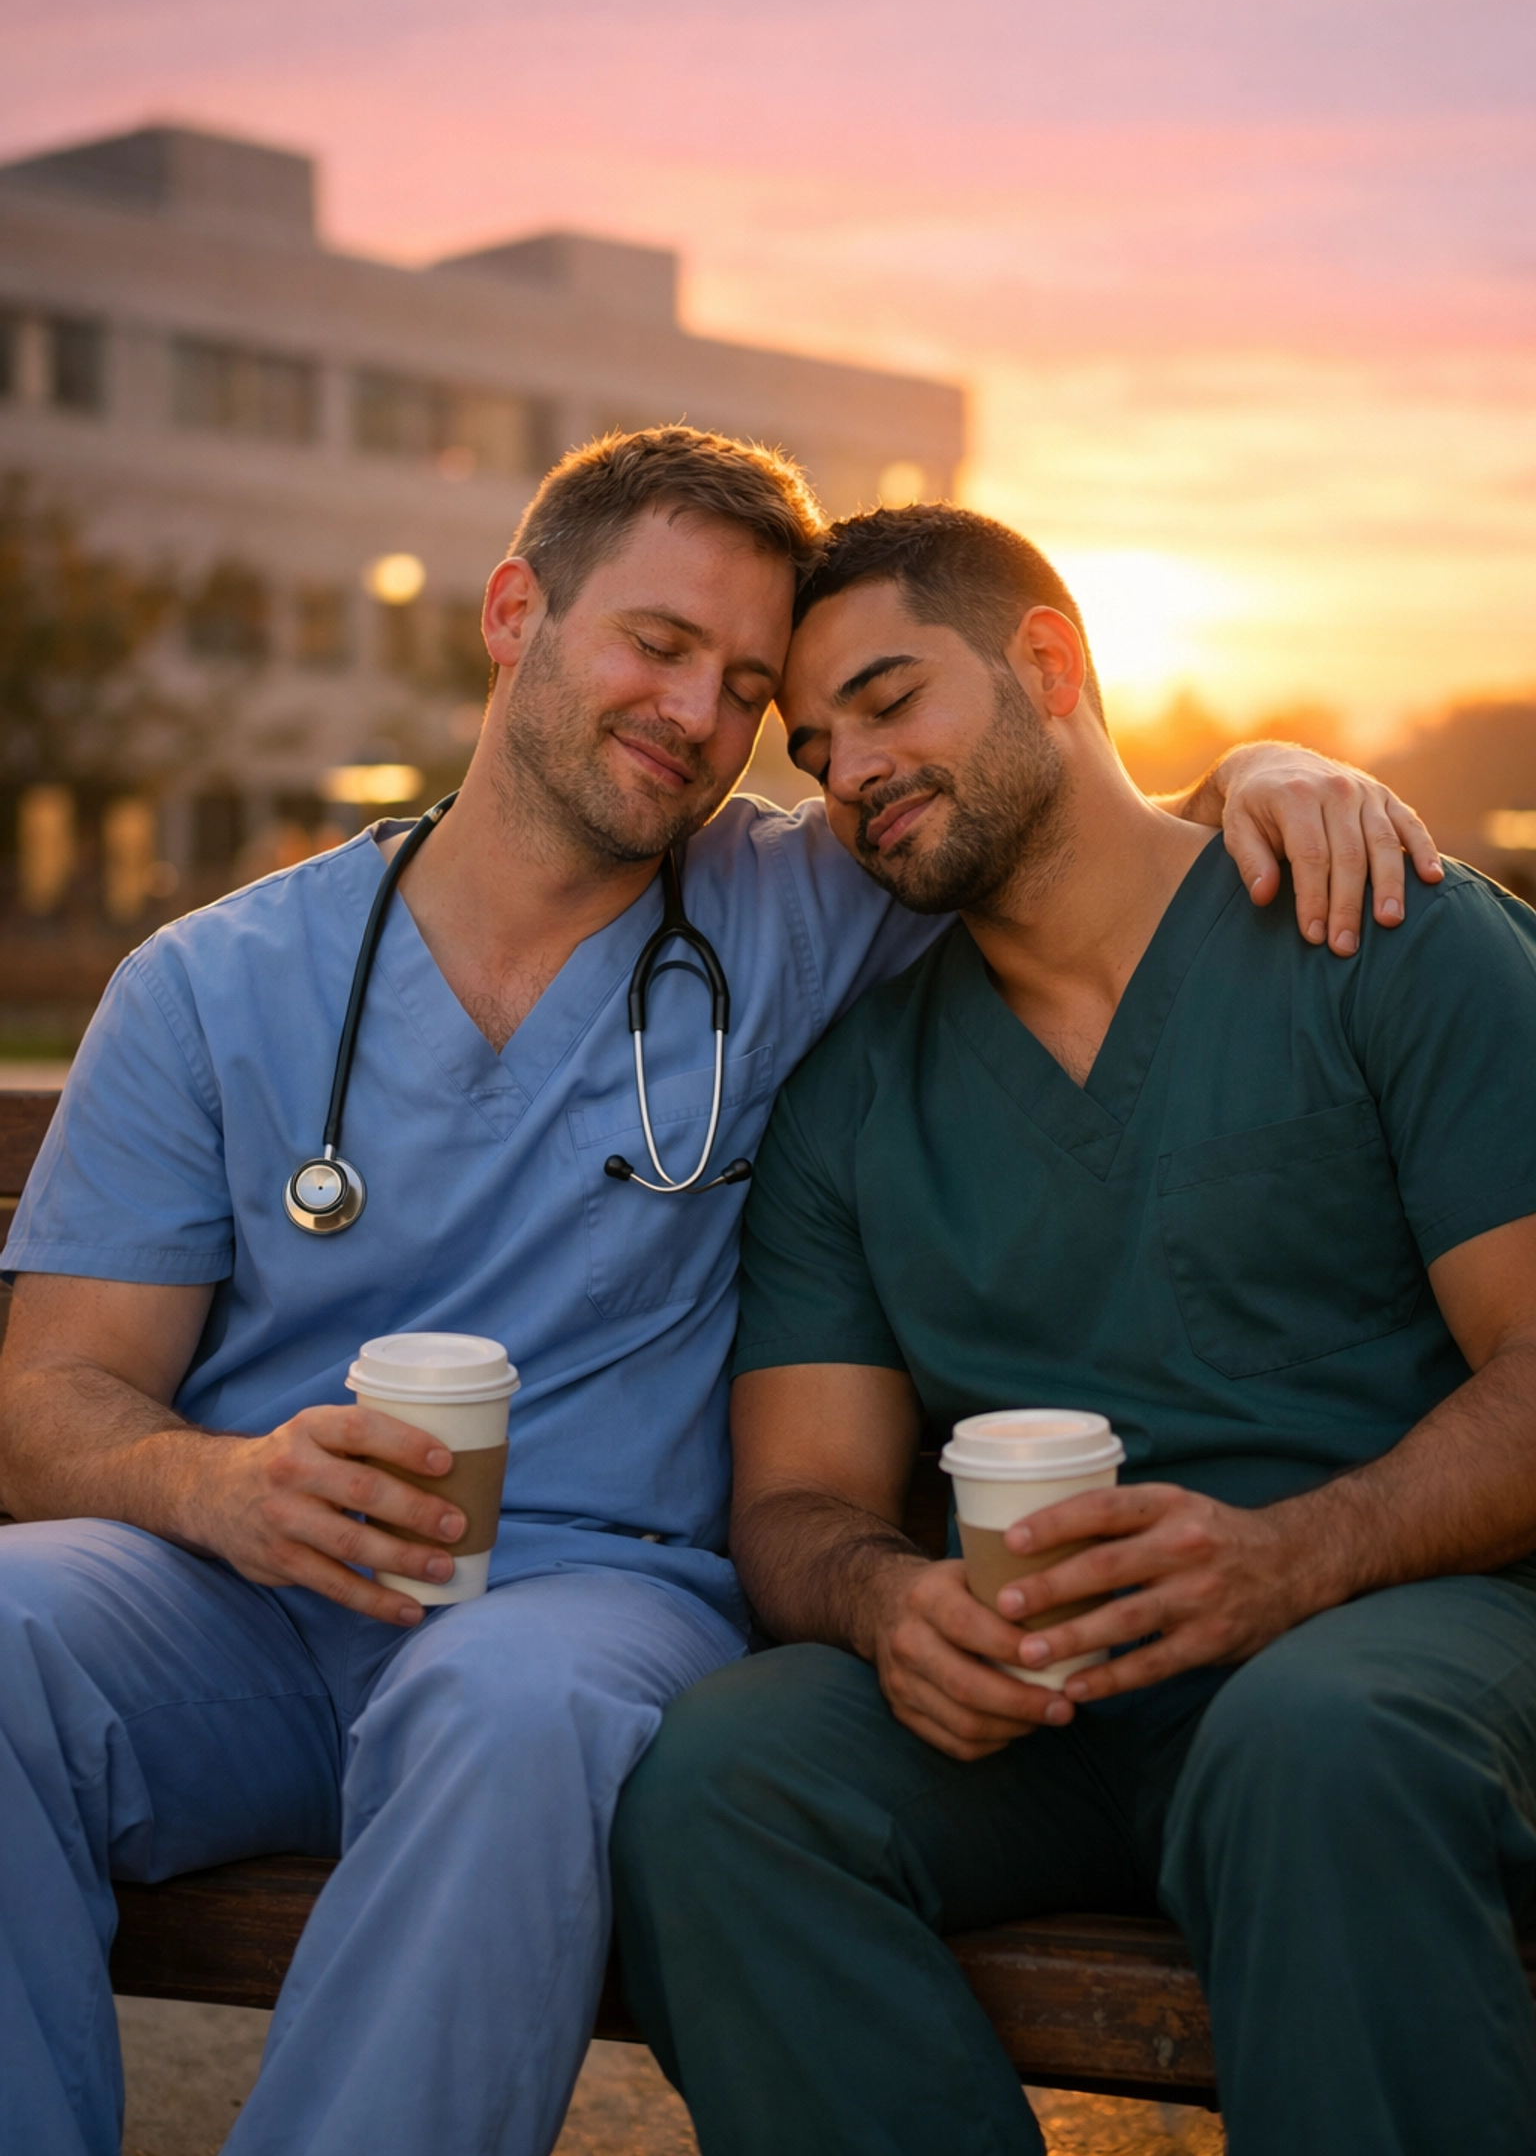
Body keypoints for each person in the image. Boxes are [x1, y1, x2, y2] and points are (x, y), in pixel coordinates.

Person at [0, 431, 1429, 2156]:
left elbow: (1051, 816)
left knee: (508, 1710)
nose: (700, 714)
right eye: (658, 646)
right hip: (243, 1598)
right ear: (514, 612)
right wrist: (216, 1484)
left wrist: (1267, 767)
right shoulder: (209, 989)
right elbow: (52, 1401)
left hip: (594, 1601)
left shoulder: (798, 901)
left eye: (749, 688)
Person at [612, 503, 1536, 2156]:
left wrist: (1295, 1561)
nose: (854, 773)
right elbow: (797, 1498)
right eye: (817, 748)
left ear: (1048, 663)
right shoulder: (856, 1094)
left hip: (1409, 1631)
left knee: (1316, 1744)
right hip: (1044, 1704)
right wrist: (894, 1605)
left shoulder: (1382, 930)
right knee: (723, 1777)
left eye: (894, 701)